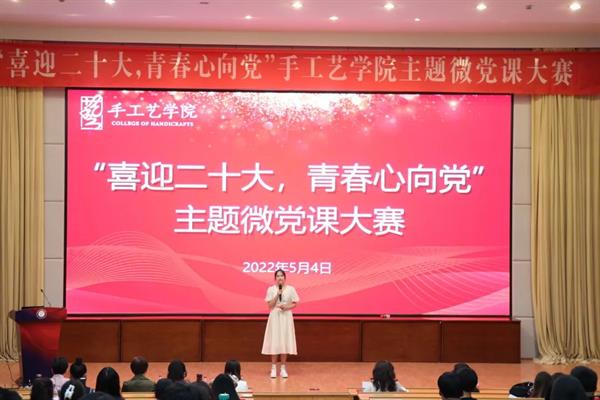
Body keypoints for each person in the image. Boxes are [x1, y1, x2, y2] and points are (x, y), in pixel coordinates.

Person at [261, 269, 299, 378]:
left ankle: (283, 368)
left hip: (286, 316)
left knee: (284, 341)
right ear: (275, 278)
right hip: (275, 316)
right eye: (277, 276)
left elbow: (295, 303)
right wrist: (277, 294)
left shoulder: (291, 289)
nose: (280, 278)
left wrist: (286, 307)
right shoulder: (271, 289)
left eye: (281, 275)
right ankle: (273, 368)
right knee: (275, 341)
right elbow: (270, 305)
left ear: (285, 277)